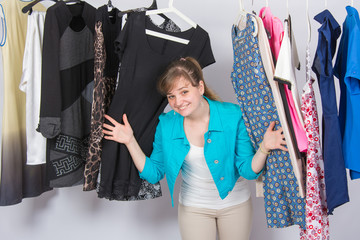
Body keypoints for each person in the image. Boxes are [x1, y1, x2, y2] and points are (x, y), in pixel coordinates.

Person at [102, 57, 287, 240]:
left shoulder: (233, 115)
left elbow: (248, 171)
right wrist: (129, 141)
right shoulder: (166, 125)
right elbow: (154, 173)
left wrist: (264, 147)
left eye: (184, 92)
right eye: (171, 96)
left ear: (200, 87)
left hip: (235, 205)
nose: (178, 102)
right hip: (194, 207)